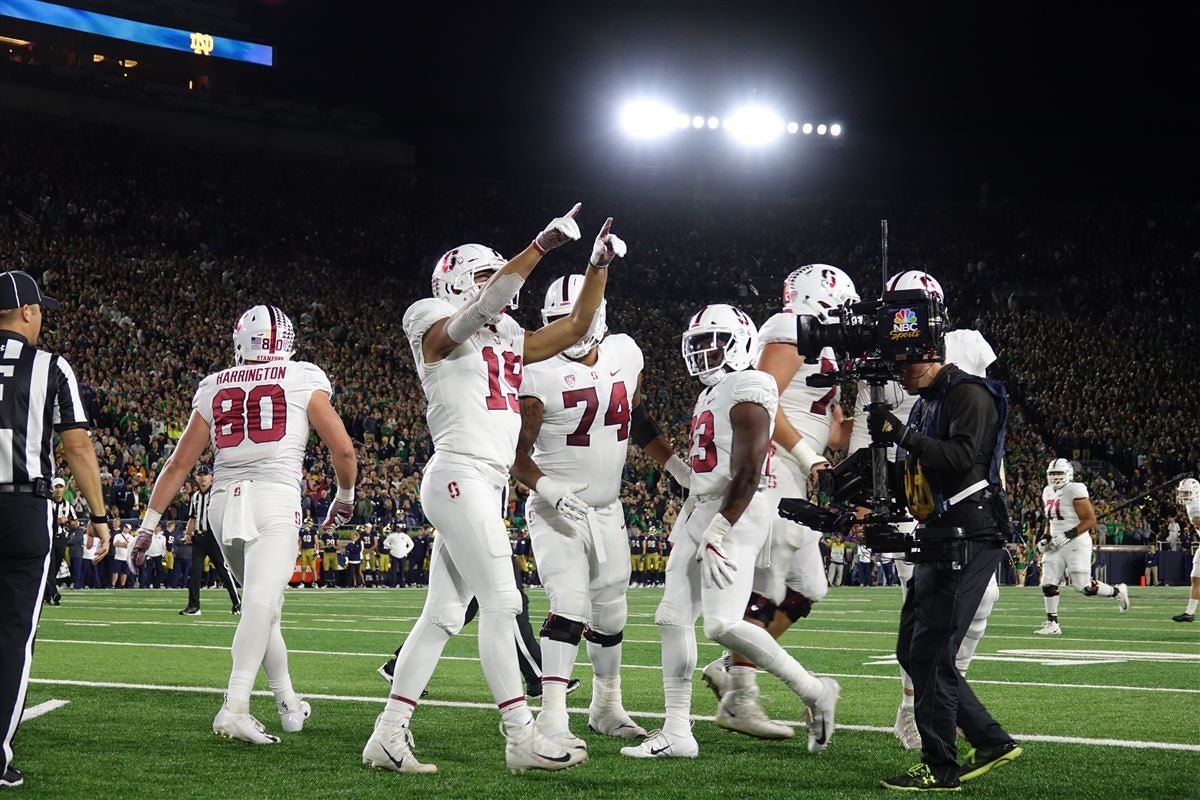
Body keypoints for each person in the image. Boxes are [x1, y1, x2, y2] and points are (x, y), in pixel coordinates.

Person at [363, 204, 617, 775]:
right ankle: (520, 735)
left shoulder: (505, 335)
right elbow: (473, 313)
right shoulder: (428, 315)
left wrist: (597, 265)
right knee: (503, 603)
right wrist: (541, 246)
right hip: (459, 473)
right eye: (484, 274)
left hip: (483, 482)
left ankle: (388, 734)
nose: (496, 284)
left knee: (444, 616)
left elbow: (574, 328)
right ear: (454, 280)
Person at [621, 304, 839, 760]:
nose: (703, 352)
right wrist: (644, 427)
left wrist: (721, 528)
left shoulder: (751, 384)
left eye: (713, 341)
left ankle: (816, 690)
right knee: (671, 618)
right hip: (703, 508)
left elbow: (747, 472)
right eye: (697, 344)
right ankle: (677, 732)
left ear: (739, 341)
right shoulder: (715, 391)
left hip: (735, 513)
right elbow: (707, 467)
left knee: (722, 624)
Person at [131, 304, 357, 744]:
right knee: (259, 605)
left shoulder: (214, 384)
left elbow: (179, 464)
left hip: (223, 505)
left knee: (263, 608)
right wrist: (344, 498)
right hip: (274, 498)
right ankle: (234, 706)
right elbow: (344, 451)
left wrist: (147, 525)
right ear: (286, 342)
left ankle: (290, 703)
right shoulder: (302, 377)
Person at [512, 273, 688, 747]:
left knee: (610, 614)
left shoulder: (625, 353)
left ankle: (606, 705)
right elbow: (513, 449)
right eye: (556, 321)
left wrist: (673, 465)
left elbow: (636, 416)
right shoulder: (535, 373)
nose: (566, 327)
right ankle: (551, 718)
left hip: (607, 509)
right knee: (569, 604)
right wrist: (547, 488)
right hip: (556, 510)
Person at [843, 269, 1002, 752]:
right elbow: (865, 432)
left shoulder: (966, 360)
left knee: (959, 621)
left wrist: (992, 487)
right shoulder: (885, 360)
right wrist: (861, 495)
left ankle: (943, 706)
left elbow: (976, 443)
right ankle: (922, 709)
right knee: (920, 631)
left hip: (959, 499)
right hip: (914, 492)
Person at [700, 263, 858, 740]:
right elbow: (765, 402)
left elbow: (831, 430)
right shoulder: (791, 329)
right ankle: (740, 696)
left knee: (808, 587)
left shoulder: (825, 347)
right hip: (776, 470)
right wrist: (810, 456)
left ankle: (732, 666)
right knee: (768, 584)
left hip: (796, 470)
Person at [868, 318, 1021, 790]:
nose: (901, 369)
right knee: (914, 650)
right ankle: (990, 739)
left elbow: (959, 459)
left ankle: (941, 766)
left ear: (933, 352)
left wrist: (901, 435)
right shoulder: (928, 404)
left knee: (933, 652)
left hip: (969, 533)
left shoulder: (969, 395)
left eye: (907, 358)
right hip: (939, 532)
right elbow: (917, 474)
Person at [0, 269, 109, 789]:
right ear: (26, 312)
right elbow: (77, 446)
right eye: (40, 309)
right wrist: (100, 514)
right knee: (12, 636)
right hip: (22, 509)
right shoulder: (49, 366)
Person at [1034, 459, 1129, 635]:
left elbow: (1090, 520)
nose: (1055, 477)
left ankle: (1117, 592)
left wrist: (1068, 534)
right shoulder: (1047, 491)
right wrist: (1046, 537)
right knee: (1048, 581)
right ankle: (1052, 623)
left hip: (1076, 541)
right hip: (1056, 542)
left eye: (1059, 473)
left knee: (1084, 587)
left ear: (1068, 474)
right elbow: (1052, 520)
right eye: (1053, 474)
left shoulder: (1075, 489)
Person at [178, 465, 242, 616]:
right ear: (196, 477)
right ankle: (194, 606)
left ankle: (238, 603)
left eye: (205, 474)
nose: (202, 477)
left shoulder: (217, 494)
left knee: (223, 570)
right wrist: (187, 533)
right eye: (200, 475)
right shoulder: (195, 496)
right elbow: (193, 517)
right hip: (199, 537)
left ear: (211, 476)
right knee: (194, 572)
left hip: (214, 537)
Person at [43, 477, 76, 605]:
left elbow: (75, 524)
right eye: (56, 487)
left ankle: (47, 595)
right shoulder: (47, 503)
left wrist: (66, 521)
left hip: (61, 538)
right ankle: (54, 593)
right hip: (48, 537)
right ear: (53, 489)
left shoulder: (68, 505)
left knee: (55, 568)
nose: (58, 490)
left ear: (64, 489)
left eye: (60, 487)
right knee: (50, 567)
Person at [1172, 478, 1200, 622]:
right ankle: (1189, 613)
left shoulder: (1195, 508)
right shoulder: (1193, 504)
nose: (1183, 496)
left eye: (1186, 493)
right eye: (1182, 493)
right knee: (1196, 578)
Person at [298, 520, 319, 587]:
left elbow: (316, 541)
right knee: (303, 568)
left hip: (311, 550)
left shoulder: (313, 530)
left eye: (309, 523)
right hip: (303, 550)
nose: (307, 524)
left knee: (313, 568)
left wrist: (317, 550)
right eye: (306, 523)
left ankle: (315, 582)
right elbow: (300, 541)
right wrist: (299, 551)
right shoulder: (301, 531)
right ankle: (302, 582)